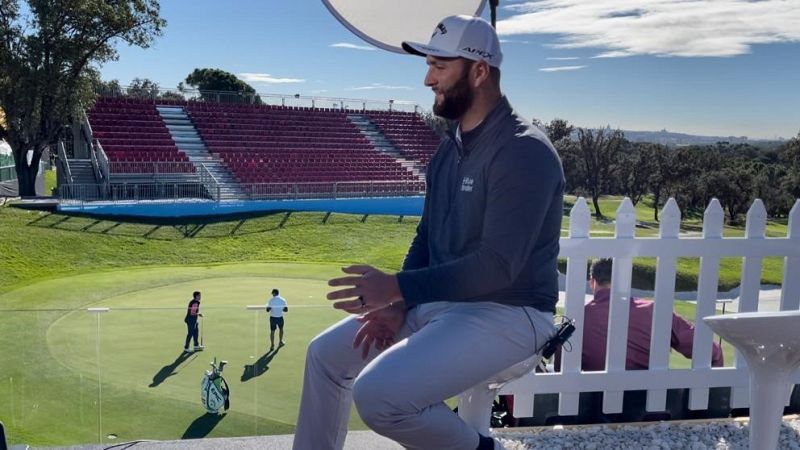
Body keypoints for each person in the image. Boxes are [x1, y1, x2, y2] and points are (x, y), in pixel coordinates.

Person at [293, 15, 565, 450]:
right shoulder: (450, 147)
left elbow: (497, 267)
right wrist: (400, 302)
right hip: (446, 303)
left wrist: (396, 286)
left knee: (379, 394)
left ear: (479, 71)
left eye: (440, 67)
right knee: (325, 356)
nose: (427, 79)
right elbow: (427, 238)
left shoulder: (524, 151)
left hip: (512, 312)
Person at [580, 258, 724, 371]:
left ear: (592, 282)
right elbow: (711, 351)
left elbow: (563, 367)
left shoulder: (579, 317)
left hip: (594, 406)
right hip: (650, 404)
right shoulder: (653, 311)